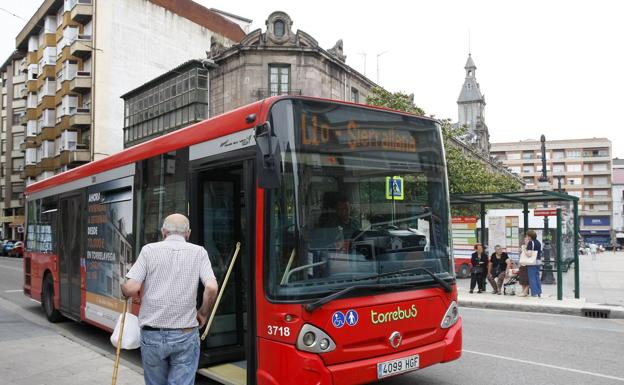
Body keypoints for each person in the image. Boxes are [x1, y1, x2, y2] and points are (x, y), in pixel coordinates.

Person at [121, 214, 218, 385]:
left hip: (152, 335)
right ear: (188, 233)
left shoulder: (149, 250)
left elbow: (131, 288)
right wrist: (203, 313)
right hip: (185, 333)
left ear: (163, 231)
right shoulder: (199, 252)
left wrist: (123, 289)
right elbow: (211, 287)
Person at [523, 230, 542, 298]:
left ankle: (534, 293)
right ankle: (539, 292)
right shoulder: (538, 242)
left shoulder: (531, 243)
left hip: (532, 262)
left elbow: (529, 254)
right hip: (538, 261)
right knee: (537, 277)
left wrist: (524, 249)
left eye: (527, 236)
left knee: (532, 278)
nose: (527, 237)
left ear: (530, 237)